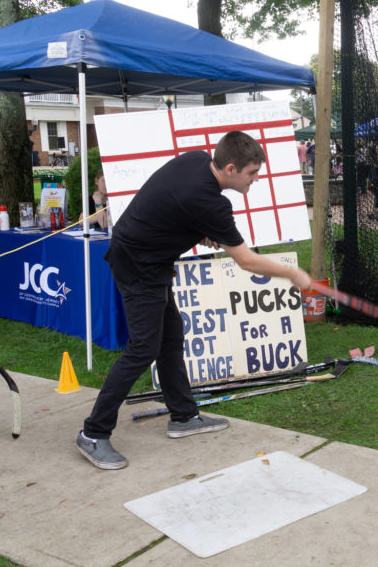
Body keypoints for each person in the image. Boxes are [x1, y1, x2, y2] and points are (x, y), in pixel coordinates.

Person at [76, 131, 312, 470]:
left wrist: (197, 229)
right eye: (252, 173)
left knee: (170, 339)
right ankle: (93, 432)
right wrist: (292, 274)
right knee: (143, 348)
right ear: (231, 169)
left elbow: (171, 203)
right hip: (137, 263)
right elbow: (246, 261)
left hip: (151, 259)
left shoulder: (197, 159)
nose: (256, 179)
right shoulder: (211, 203)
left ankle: (184, 417)